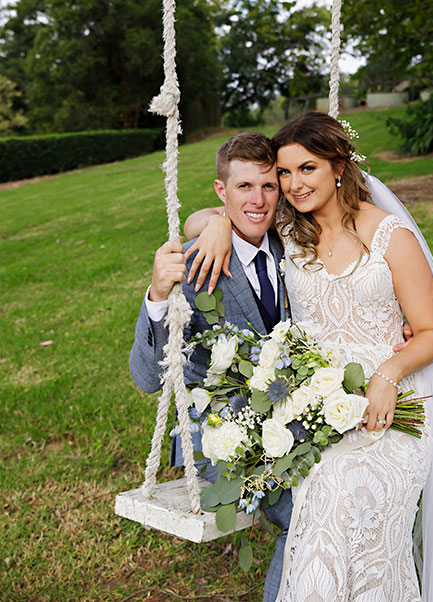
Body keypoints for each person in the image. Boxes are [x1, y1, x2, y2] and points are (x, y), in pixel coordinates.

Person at [184, 111, 433, 601]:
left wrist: (388, 372)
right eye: (285, 174)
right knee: (327, 488)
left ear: (339, 167)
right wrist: (212, 225)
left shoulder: (389, 236)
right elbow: (222, 211)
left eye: (307, 169)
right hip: (314, 412)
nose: (293, 185)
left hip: (391, 411)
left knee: (350, 491)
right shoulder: (289, 233)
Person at [128, 132, 295, 601]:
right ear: (222, 191)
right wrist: (158, 297)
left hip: (286, 415)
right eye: (244, 187)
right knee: (303, 511)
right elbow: (146, 377)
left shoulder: (288, 245)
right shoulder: (196, 259)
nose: (258, 200)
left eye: (268, 186)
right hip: (217, 432)